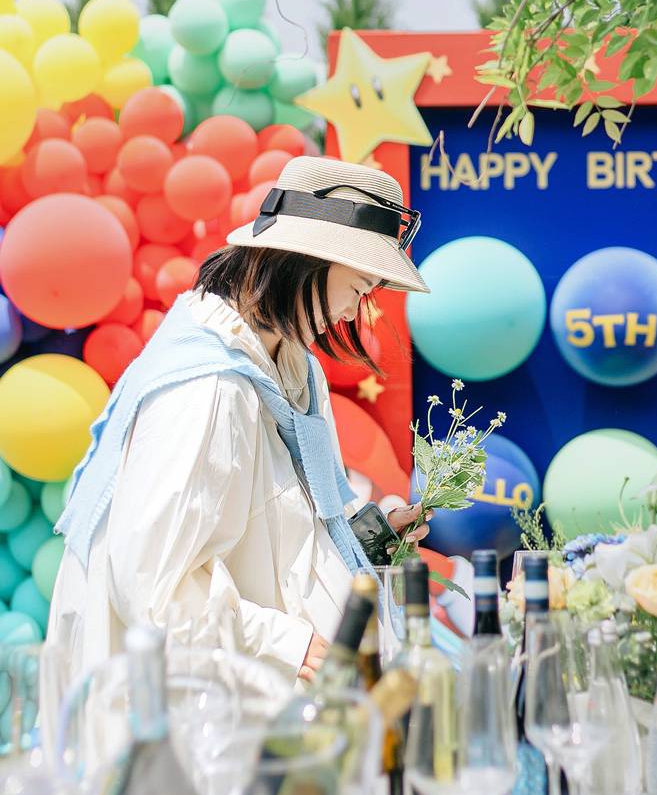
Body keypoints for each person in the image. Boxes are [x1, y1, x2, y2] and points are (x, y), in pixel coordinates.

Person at [47, 156, 433, 688]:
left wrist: (365, 536)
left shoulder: (284, 363)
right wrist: (285, 645)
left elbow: (277, 531)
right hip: (191, 709)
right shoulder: (210, 387)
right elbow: (155, 587)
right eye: (360, 287)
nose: (353, 312)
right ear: (308, 261)